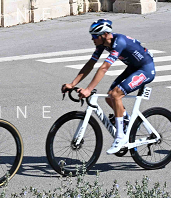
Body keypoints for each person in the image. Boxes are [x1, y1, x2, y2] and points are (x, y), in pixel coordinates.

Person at [63, 19, 156, 154]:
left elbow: (104, 68)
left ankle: (120, 138)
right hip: (133, 67)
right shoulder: (103, 44)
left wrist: (88, 90)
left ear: (105, 35)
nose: (92, 39)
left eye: (95, 36)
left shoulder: (119, 42)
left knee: (115, 94)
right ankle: (126, 122)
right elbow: (90, 64)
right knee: (109, 97)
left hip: (145, 69)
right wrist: (72, 84)